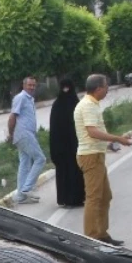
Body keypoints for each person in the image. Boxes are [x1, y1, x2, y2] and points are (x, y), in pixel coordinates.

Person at [74, 74, 132, 245]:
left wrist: (108, 145)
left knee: (105, 196)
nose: (107, 90)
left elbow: (93, 133)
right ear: (98, 88)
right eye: (106, 86)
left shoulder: (92, 104)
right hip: (90, 156)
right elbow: (92, 131)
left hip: (96, 154)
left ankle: (102, 234)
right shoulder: (88, 106)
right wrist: (116, 138)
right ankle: (92, 237)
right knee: (93, 198)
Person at [6, 75, 45, 205]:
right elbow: (12, 117)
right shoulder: (21, 98)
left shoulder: (29, 99)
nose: (32, 87)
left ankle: (20, 197)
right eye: (29, 85)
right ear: (24, 85)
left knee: (25, 162)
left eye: (34, 85)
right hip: (23, 134)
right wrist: (10, 134)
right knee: (40, 159)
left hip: (28, 134)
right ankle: (26, 189)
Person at [48, 78, 86, 208]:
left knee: (74, 170)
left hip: (73, 146)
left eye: (67, 88)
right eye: (63, 88)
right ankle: (67, 198)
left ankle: (76, 198)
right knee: (67, 170)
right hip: (64, 147)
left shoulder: (73, 104)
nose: (65, 91)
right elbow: (53, 129)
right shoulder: (59, 105)